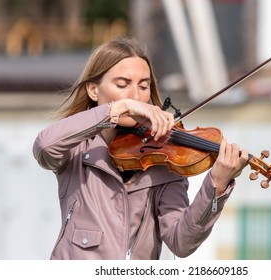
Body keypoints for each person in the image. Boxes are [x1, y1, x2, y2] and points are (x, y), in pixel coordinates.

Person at [32, 36, 248, 260]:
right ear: (93, 91)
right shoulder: (78, 147)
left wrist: (217, 185)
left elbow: (182, 242)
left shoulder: (165, 158)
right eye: (122, 85)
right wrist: (119, 108)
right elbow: (45, 146)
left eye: (144, 86)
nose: (136, 96)